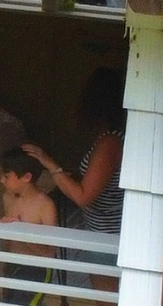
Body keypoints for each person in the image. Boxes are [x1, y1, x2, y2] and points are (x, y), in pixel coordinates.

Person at [23, 67, 125, 290]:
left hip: (106, 241)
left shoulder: (110, 143)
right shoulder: (113, 138)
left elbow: (83, 196)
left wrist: (49, 163)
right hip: (104, 237)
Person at [0, 149, 59, 306]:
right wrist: (3, 264)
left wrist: (21, 231)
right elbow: (8, 239)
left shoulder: (45, 205)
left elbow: (50, 251)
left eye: (7, 175)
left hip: (36, 271)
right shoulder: (8, 198)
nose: (2, 180)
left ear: (26, 177)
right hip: (13, 266)